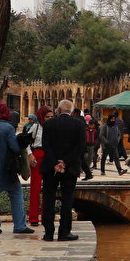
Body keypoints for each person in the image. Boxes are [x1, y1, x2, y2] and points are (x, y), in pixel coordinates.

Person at [0, 103, 32, 236]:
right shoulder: (8, 128)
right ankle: (19, 225)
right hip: (5, 166)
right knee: (16, 192)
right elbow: (15, 148)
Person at [41, 99, 87, 242]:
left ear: (59, 110)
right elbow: (81, 147)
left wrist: (55, 162)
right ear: (71, 111)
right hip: (70, 168)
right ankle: (64, 233)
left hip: (51, 167)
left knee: (48, 199)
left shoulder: (49, 124)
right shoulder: (79, 125)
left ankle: (48, 233)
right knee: (67, 200)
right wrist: (65, 162)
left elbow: (45, 145)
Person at [26, 107, 52, 226]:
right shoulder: (35, 127)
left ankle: (46, 217)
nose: (49, 119)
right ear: (42, 117)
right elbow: (26, 141)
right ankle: (33, 217)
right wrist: (30, 154)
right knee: (35, 188)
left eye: (51, 117)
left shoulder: (53, 127)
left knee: (49, 188)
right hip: (37, 155)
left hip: (49, 156)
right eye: (47, 117)